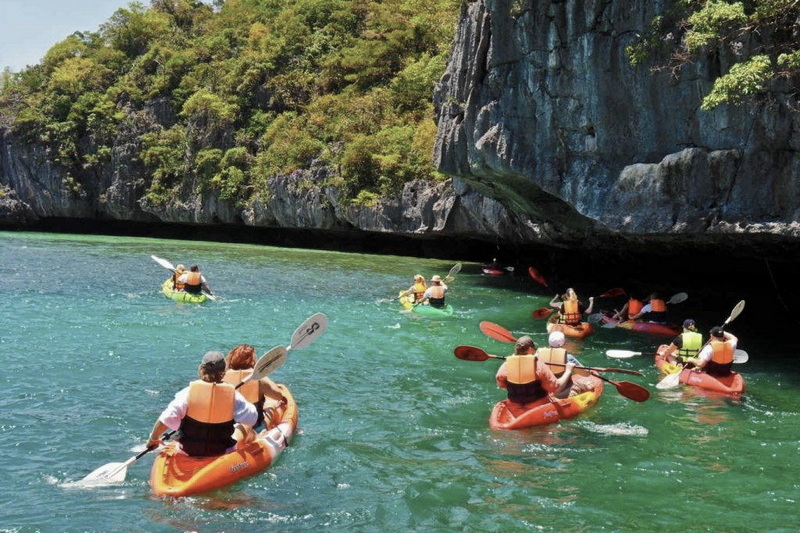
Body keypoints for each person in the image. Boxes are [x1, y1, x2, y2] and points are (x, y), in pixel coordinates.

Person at [146, 351, 257, 456]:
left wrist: (153, 439)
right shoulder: (234, 396)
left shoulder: (187, 393)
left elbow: (165, 419)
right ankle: (259, 443)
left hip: (188, 451)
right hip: (222, 450)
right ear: (224, 372)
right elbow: (252, 419)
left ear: (201, 369)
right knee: (244, 426)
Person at [495, 336, 576, 414]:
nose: (534, 351)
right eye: (534, 349)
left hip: (514, 405)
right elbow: (554, 387)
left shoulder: (506, 365)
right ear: (530, 349)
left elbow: (501, 384)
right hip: (537, 406)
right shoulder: (539, 366)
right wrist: (568, 371)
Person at [223, 344, 287, 429]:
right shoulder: (258, 378)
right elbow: (278, 395)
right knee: (271, 404)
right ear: (253, 360)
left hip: (227, 425)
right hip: (254, 426)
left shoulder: (223, 377)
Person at [536, 331, 595, 397]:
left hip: (545, 391)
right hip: (563, 392)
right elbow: (585, 373)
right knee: (585, 384)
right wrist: (589, 371)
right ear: (563, 343)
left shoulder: (538, 355)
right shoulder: (568, 357)